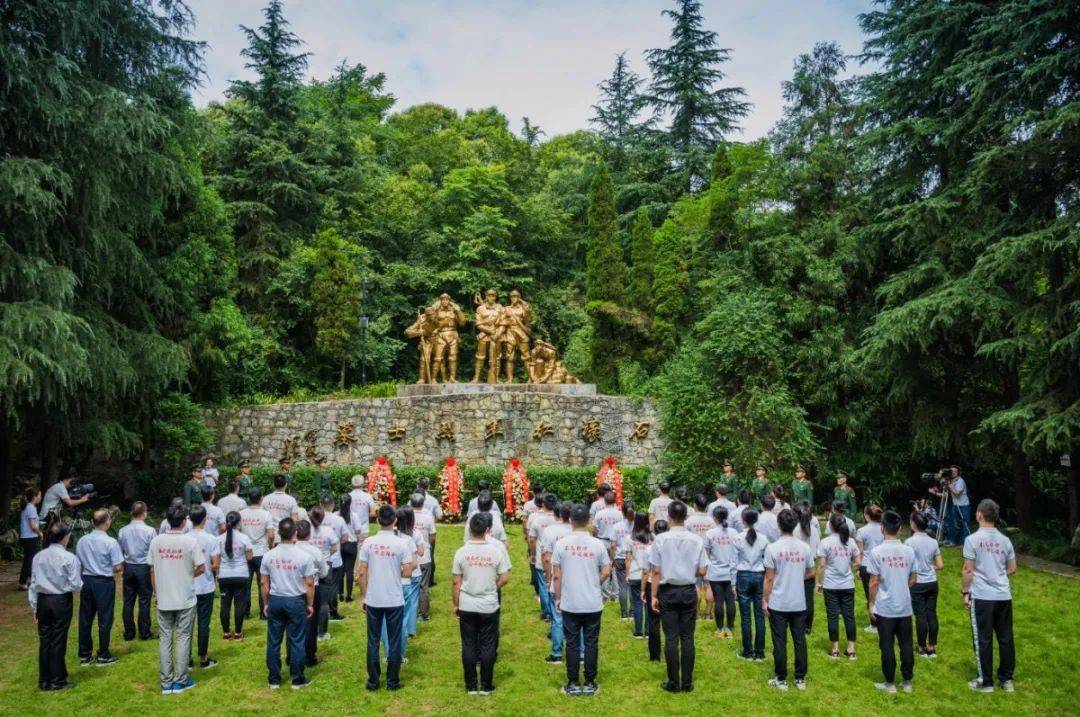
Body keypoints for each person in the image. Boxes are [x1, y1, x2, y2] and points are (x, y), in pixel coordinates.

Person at [551, 503, 611, 697]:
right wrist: (596, 582)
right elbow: (607, 569)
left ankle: (573, 682)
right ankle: (591, 681)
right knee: (591, 642)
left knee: (573, 643)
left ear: (570, 520)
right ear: (588, 521)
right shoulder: (597, 544)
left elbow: (557, 576)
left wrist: (558, 598)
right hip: (592, 601)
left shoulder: (562, 544)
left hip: (570, 602)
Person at [650, 500, 708, 693]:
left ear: (668, 517)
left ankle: (674, 682)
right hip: (689, 590)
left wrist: (653, 596)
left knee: (672, 638)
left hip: (668, 590)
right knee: (688, 638)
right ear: (686, 517)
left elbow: (656, 572)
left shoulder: (660, 539)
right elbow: (702, 571)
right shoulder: (697, 540)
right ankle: (687, 682)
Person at [453, 512, 512, 695]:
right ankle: (486, 685)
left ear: (470, 529)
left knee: (469, 644)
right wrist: (492, 586)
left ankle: (471, 685)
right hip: (488, 605)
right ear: (488, 530)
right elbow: (505, 577)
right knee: (488, 645)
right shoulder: (496, 551)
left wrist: (456, 604)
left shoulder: (462, 552)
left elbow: (456, 582)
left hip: (467, 604)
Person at [359, 505, 416, 691]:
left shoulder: (368, 543)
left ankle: (373, 681)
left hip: (373, 598)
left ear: (377, 521)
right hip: (394, 599)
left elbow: (362, 572)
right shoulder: (401, 544)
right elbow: (408, 572)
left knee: (373, 641)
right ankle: (392, 681)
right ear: (395, 521)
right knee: (394, 640)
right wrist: (394, 571)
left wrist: (364, 596)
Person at [962, 499, 1016, 693]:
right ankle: (1006, 679)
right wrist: (996, 573)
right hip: (1003, 595)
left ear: (978, 514)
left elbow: (968, 570)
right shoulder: (1005, 540)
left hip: (983, 596)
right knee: (1005, 637)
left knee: (983, 639)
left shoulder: (972, 540)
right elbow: (1012, 569)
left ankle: (985, 682)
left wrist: (965, 592)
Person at [150, 503, 205, 694]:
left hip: (164, 596)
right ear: (183, 522)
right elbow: (201, 567)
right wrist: (188, 575)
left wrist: (156, 592)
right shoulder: (190, 542)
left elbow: (152, 568)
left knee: (165, 638)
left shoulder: (156, 541)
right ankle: (180, 681)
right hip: (185, 597)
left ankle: (166, 682)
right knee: (183, 637)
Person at [260, 518, 316, 690]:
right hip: (295, 600)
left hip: (276, 600)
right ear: (295, 533)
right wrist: (310, 603)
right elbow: (309, 583)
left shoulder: (269, 555)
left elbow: (263, 583)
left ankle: (274, 680)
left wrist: (266, 603)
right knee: (297, 640)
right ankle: (297, 679)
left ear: (278, 533)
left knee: (274, 641)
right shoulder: (304, 556)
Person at [763, 509, 815, 691]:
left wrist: (765, 600)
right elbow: (811, 571)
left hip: (778, 602)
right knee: (799, 640)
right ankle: (800, 679)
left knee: (779, 641)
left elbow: (769, 578)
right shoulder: (804, 547)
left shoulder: (772, 548)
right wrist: (796, 578)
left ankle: (781, 679)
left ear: (779, 525)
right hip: (798, 601)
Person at [867, 510, 917, 693]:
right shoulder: (909, 551)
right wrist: (901, 589)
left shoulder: (877, 552)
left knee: (886, 645)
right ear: (899, 528)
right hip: (904, 605)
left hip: (885, 607)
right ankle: (907, 681)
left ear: (882, 528)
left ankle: (889, 683)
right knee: (906, 644)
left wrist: (871, 604)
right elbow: (913, 579)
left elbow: (873, 582)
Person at [29, 519, 82, 691]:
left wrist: (34, 607)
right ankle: (58, 679)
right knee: (58, 640)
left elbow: (34, 584)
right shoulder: (69, 557)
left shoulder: (38, 556)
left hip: (43, 600)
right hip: (60, 600)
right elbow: (76, 584)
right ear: (64, 537)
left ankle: (44, 679)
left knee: (45, 639)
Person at [75, 508, 123, 666]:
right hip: (104, 581)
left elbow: (79, 561)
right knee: (105, 619)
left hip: (87, 581)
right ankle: (103, 654)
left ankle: (85, 654)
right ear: (107, 522)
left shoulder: (82, 540)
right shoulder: (110, 542)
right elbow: (117, 567)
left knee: (85, 619)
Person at [816, 512, 861, 660]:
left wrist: (820, 584)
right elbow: (858, 562)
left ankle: (835, 649)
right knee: (849, 616)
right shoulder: (851, 542)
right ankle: (851, 649)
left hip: (830, 584)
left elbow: (822, 565)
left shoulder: (825, 542)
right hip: (848, 584)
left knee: (832, 616)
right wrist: (850, 567)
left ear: (831, 525)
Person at [733, 508, 769, 661]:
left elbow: (733, 562)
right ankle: (759, 652)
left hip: (743, 576)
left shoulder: (737, 538)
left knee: (746, 616)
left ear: (743, 520)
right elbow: (767, 562)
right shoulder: (764, 539)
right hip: (759, 575)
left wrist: (733, 584)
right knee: (760, 615)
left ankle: (748, 651)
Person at [905, 510, 942, 658]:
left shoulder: (909, 542)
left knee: (920, 615)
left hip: (917, 583)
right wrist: (929, 567)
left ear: (913, 524)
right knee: (931, 614)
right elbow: (940, 564)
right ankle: (931, 647)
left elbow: (907, 565)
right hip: (932, 582)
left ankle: (921, 647)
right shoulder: (933, 541)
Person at [540, 501, 574, 663]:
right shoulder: (576, 531)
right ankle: (579, 653)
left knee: (558, 618)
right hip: (574, 580)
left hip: (557, 578)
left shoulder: (550, 532)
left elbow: (547, 558)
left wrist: (548, 578)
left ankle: (557, 652)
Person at [118, 501, 157, 641]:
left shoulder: (123, 530)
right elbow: (153, 551)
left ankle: (129, 632)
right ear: (145, 514)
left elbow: (120, 550)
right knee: (144, 600)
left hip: (128, 566)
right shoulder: (150, 531)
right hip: (143, 567)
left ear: (131, 513)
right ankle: (144, 631)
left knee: (128, 600)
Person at [187, 505, 219, 670]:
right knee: (203, 623)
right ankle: (203, 658)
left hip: (188, 586)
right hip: (205, 586)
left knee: (186, 625)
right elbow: (215, 564)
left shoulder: (185, 538)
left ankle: (186, 659)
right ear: (205, 519)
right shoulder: (211, 539)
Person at [296, 518, 330, 666]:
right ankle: (309, 656)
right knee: (311, 625)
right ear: (309, 534)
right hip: (311, 590)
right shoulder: (315, 551)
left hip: (292, 591)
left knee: (293, 625)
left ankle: (292, 656)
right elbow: (323, 573)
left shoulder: (290, 549)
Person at [214, 511, 253, 641]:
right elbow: (249, 557)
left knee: (225, 605)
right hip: (241, 575)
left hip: (224, 576)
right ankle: (237, 633)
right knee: (239, 605)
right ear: (239, 522)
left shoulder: (219, 539)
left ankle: (226, 633)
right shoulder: (244, 538)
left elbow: (217, 559)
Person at [239, 488, 275, 620]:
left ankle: (245, 612)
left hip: (246, 553)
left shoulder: (241, 514)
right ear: (261, 499)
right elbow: (271, 534)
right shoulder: (265, 514)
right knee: (264, 582)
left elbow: (237, 532)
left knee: (245, 584)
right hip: (261, 553)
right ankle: (263, 611)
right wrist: (270, 545)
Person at [705, 506, 738, 638]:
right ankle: (729, 627)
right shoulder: (734, 533)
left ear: (714, 517)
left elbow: (707, 554)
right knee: (730, 600)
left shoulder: (710, 533)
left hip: (716, 572)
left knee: (718, 601)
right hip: (731, 573)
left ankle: (719, 628)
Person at [321, 495, 353, 620]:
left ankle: (322, 609)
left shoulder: (316, 518)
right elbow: (345, 537)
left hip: (319, 558)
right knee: (333, 586)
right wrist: (337, 542)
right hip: (334, 557)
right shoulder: (338, 520)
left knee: (322, 585)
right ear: (333, 505)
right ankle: (333, 611)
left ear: (320, 504)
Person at [528, 493, 558, 621]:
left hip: (542, 556)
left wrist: (533, 555)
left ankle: (546, 612)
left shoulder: (537, 520)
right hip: (557, 558)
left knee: (544, 585)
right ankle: (555, 610)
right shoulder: (558, 519)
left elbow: (532, 540)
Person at [622, 510, 651, 640]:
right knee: (648, 603)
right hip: (648, 575)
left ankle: (639, 632)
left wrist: (627, 574)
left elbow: (628, 558)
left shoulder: (629, 538)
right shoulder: (652, 538)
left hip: (634, 574)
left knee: (637, 603)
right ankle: (649, 631)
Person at [792, 501, 820, 635]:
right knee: (808, 598)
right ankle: (807, 626)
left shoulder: (794, 530)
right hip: (811, 567)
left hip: (796, 565)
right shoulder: (814, 529)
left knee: (795, 596)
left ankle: (796, 622)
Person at [857, 505, 885, 633]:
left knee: (871, 595)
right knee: (882, 593)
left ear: (867, 515)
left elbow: (860, 552)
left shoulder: (862, 531)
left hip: (867, 565)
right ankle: (884, 621)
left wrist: (858, 568)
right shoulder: (884, 529)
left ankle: (874, 624)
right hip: (883, 564)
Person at [592, 489, 623, 603]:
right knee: (614, 567)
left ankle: (605, 594)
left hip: (602, 542)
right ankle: (615, 594)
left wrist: (595, 536)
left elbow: (594, 529)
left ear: (604, 501)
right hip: (616, 543)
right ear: (615, 501)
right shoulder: (620, 514)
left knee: (603, 568)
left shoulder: (599, 514)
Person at [416, 478, 441, 588]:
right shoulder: (433, 500)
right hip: (428, 531)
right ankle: (429, 580)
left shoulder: (412, 499)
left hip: (414, 531)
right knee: (429, 555)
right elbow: (440, 515)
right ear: (428, 486)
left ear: (418, 486)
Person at [613, 502, 635, 621]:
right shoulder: (637, 525)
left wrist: (612, 558)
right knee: (632, 586)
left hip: (619, 558)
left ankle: (624, 613)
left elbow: (613, 545)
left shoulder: (616, 526)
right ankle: (632, 613)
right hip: (632, 558)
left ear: (622, 512)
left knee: (622, 586)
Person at [337, 494, 361, 603]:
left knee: (340, 570)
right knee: (349, 570)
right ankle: (349, 595)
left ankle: (340, 593)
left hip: (339, 545)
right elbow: (358, 531)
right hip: (351, 545)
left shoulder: (335, 515)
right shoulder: (354, 516)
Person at [19, 488, 43, 591]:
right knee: (29, 560)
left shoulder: (27, 507)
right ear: (34, 497)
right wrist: (40, 533)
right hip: (30, 537)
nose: (40, 498)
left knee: (29, 559)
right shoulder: (31, 508)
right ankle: (22, 582)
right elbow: (32, 526)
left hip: (25, 537)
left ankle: (30, 580)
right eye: (39, 496)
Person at [348, 474, 377, 543]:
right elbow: (373, 513)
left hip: (350, 530)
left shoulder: (348, 496)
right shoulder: (368, 496)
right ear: (363, 484)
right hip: (364, 529)